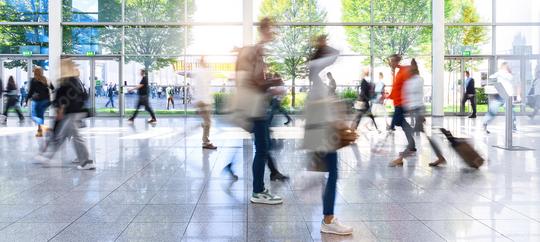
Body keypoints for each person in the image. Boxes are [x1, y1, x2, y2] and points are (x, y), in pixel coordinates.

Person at [304, 34, 353, 236]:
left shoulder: (315, 76)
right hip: (322, 129)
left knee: (326, 172)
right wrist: (325, 47)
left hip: (318, 128)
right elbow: (335, 54)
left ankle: (328, 216)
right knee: (332, 172)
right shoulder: (316, 71)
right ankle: (328, 219)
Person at [235, 17, 286, 205]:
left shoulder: (258, 51)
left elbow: (255, 80)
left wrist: (270, 85)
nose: (274, 34)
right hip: (256, 109)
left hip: (257, 108)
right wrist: (275, 83)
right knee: (262, 149)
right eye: (273, 30)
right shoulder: (257, 50)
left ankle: (259, 189)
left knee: (262, 149)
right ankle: (258, 191)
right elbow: (256, 82)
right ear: (266, 30)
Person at [38, 59, 95, 170]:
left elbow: (64, 99)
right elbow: (84, 96)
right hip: (75, 112)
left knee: (69, 136)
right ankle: (48, 156)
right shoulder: (75, 80)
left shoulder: (67, 81)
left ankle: (86, 162)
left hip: (71, 113)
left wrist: (61, 109)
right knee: (64, 136)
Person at [402, 58, 446, 167]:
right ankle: (440, 157)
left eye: (410, 68)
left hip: (418, 111)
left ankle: (402, 156)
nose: (408, 70)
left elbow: (412, 94)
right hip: (416, 110)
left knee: (411, 133)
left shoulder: (417, 80)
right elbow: (407, 94)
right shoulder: (411, 80)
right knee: (421, 134)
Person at [387, 54, 416, 167]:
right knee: (400, 122)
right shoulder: (399, 71)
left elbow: (405, 86)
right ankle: (412, 143)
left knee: (399, 122)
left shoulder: (404, 72)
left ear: (396, 61)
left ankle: (409, 147)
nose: (391, 64)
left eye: (392, 61)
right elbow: (396, 86)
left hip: (401, 102)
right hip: (398, 102)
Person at [483, 62, 518, 134]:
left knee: (510, 112)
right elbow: (491, 78)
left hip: (507, 96)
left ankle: (513, 127)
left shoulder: (504, 74)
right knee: (496, 110)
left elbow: (491, 78)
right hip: (503, 95)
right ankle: (485, 123)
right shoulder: (502, 73)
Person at [193, 57, 217, 150]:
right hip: (204, 100)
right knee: (208, 122)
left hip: (201, 100)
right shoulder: (204, 72)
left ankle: (204, 132)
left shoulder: (198, 72)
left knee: (207, 121)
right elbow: (212, 75)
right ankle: (205, 142)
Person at [26, 67, 54, 137]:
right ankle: (40, 132)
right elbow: (53, 88)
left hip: (37, 100)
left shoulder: (33, 80)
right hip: (46, 101)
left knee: (34, 116)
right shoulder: (46, 79)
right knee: (40, 116)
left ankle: (45, 128)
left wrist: (26, 100)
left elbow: (30, 91)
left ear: (34, 72)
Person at [351, 67, 378, 131]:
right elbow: (363, 92)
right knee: (359, 117)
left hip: (364, 101)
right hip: (363, 102)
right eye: (367, 71)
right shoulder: (364, 81)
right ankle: (353, 129)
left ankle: (376, 127)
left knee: (361, 116)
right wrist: (368, 98)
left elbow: (366, 91)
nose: (368, 72)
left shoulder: (365, 80)